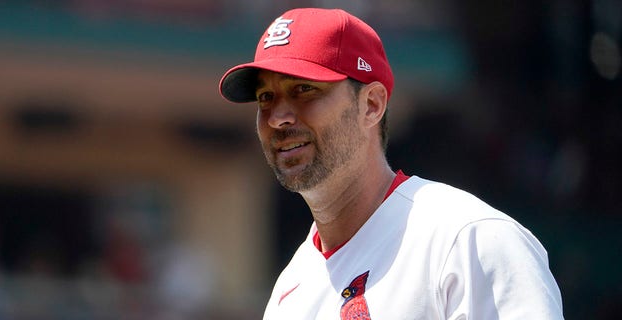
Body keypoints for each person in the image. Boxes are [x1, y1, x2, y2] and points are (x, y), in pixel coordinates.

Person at [219, 7, 563, 319]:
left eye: (305, 89)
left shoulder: (466, 239)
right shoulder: (289, 293)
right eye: (266, 97)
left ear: (371, 105)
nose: (278, 117)